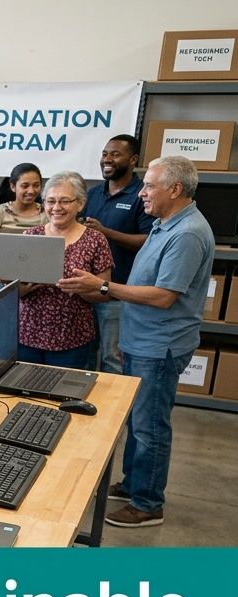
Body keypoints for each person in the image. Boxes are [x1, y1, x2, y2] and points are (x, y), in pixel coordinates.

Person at [59, 156, 215, 528]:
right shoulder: (166, 224)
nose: (142, 193)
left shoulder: (187, 233)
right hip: (143, 340)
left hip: (159, 346)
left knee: (149, 426)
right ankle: (134, 484)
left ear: (175, 190)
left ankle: (147, 503)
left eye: (150, 186)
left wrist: (102, 286)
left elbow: (164, 296)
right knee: (138, 422)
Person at [15, 173, 113, 369]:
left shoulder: (95, 239)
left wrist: (81, 288)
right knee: (23, 390)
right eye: (50, 201)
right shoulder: (30, 236)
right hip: (28, 334)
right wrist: (29, 286)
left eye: (64, 201)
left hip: (73, 337)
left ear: (80, 204)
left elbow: (105, 292)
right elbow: (13, 291)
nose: (56, 208)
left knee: (64, 396)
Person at [84, 134, 154, 374]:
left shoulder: (142, 195)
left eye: (115, 154)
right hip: (86, 292)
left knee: (113, 358)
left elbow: (149, 241)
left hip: (119, 294)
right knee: (86, 354)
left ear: (133, 159)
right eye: (105, 154)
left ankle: (113, 409)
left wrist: (106, 232)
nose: (107, 159)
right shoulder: (92, 193)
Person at [0, 162, 46, 233]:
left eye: (36, 185)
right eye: (25, 186)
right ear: (13, 186)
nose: (31, 191)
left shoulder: (47, 213)